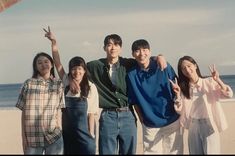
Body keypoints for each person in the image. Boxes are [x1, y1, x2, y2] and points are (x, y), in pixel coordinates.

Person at [73, 34, 167, 155]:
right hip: (108, 116)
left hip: (128, 114)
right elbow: (77, 69)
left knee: (129, 151)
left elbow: (144, 58)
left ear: (120, 48)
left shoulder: (128, 63)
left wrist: (159, 57)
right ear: (104, 48)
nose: (113, 48)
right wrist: (71, 79)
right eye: (109, 45)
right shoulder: (95, 66)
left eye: (116, 44)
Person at [44, 26, 99, 155]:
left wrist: (91, 134)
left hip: (86, 131)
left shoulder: (90, 87)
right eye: (73, 69)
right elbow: (57, 63)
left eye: (80, 68)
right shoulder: (66, 81)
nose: (77, 72)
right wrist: (54, 42)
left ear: (84, 70)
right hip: (68, 132)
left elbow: (91, 113)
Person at [127, 39, 183, 154]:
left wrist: (160, 56)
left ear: (150, 51)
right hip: (150, 124)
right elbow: (134, 101)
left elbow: (178, 88)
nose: (142, 54)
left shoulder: (164, 66)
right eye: (137, 51)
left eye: (144, 50)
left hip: (172, 119)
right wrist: (143, 120)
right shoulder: (131, 75)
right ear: (133, 54)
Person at [170, 55, 233, 154]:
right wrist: (177, 95)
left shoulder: (209, 82)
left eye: (189, 65)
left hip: (209, 124)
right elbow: (179, 110)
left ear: (195, 66)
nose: (187, 69)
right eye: (183, 68)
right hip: (193, 126)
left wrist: (218, 80)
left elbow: (228, 95)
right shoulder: (183, 88)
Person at [16, 52, 65, 155]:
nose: (43, 65)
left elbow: (59, 111)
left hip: (54, 136)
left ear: (51, 64)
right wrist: (23, 137)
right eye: (39, 63)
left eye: (46, 62)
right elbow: (24, 113)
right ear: (36, 67)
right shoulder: (28, 84)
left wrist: (60, 131)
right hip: (32, 137)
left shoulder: (58, 85)